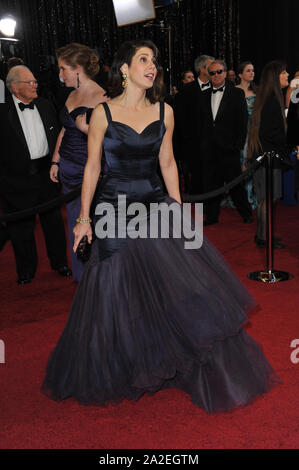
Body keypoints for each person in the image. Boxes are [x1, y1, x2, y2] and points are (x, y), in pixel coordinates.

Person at [42, 39, 280, 414]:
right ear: (125, 69)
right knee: (117, 290)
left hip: (154, 206)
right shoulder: (103, 113)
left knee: (173, 285)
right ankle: (126, 363)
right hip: (114, 211)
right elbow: (93, 169)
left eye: (153, 60)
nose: (151, 66)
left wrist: (179, 211)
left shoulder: (165, 111)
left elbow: (168, 163)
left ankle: (169, 358)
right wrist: (84, 219)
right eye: (142, 59)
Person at [0, 65, 71, 284]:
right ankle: (26, 271)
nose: (35, 86)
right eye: (29, 83)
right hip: (16, 180)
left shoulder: (45, 105)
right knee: (21, 228)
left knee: (54, 223)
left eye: (35, 81)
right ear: (14, 87)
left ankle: (60, 262)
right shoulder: (2, 113)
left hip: (46, 175)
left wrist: (57, 164)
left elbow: (60, 136)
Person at [50, 43, 108, 282]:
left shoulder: (103, 97)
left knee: (93, 223)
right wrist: (55, 161)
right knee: (75, 221)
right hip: (68, 169)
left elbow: (113, 140)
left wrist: (87, 130)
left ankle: (99, 279)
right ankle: (82, 278)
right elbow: (64, 129)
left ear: (77, 69)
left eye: (63, 68)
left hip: (90, 169)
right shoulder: (71, 95)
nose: (60, 74)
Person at [199, 59, 253, 226]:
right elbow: (201, 123)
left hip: (229, 149)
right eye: (213, 73)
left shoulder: (236, 94)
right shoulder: (204, 95)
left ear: (225, 72)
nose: (216, 75)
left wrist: (237, 145)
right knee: (211, 185)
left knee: (235, 184)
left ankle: (246, 213)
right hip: (210, 149)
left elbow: (242, 122)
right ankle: (211, 216)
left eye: (219, 72)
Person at [247, 61, 289, 248]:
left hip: (264, 157)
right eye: (283, 72)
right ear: (275, 77)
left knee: (268, 199)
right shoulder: (272, 101)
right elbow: (272, 133)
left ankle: (263, 235)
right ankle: (264, 238)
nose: (287, 74)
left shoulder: (268, 99)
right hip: (268, 158)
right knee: (267, 199)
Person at [174, 55, 214, 195]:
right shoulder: (186, 91)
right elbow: (181, 118)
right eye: (211, 66)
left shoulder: (220, 87)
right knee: (197, 176)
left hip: (215, 142)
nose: (215, 68)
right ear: (202, 69)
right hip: (194, 143)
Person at [236, 61, 257, 209]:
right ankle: (239, 198)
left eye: (253, 71)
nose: (252, 73)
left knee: (251, 163)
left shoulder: (257, 91)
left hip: (253, 133)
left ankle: (250, 196)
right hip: (238, 133)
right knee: (239, 165)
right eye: (248, 70)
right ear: (240, 74)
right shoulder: (234, 91)